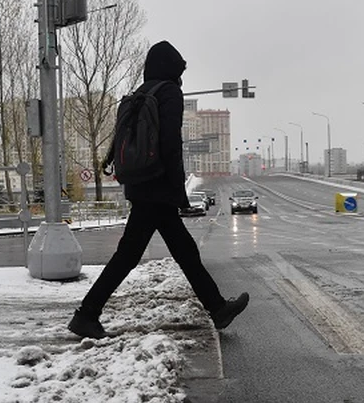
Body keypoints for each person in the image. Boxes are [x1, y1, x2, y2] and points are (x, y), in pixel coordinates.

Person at [67, 40, 249, 339]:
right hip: (157, 186)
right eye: (179, 71)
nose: (181, 78)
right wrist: (178, 191)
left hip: (141, 182)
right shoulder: (169, 93)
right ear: (171, 69)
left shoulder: (140, 93)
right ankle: (86, 314)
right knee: (132, 254)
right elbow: (170, 146)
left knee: (180, 250)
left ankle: (217, 308)